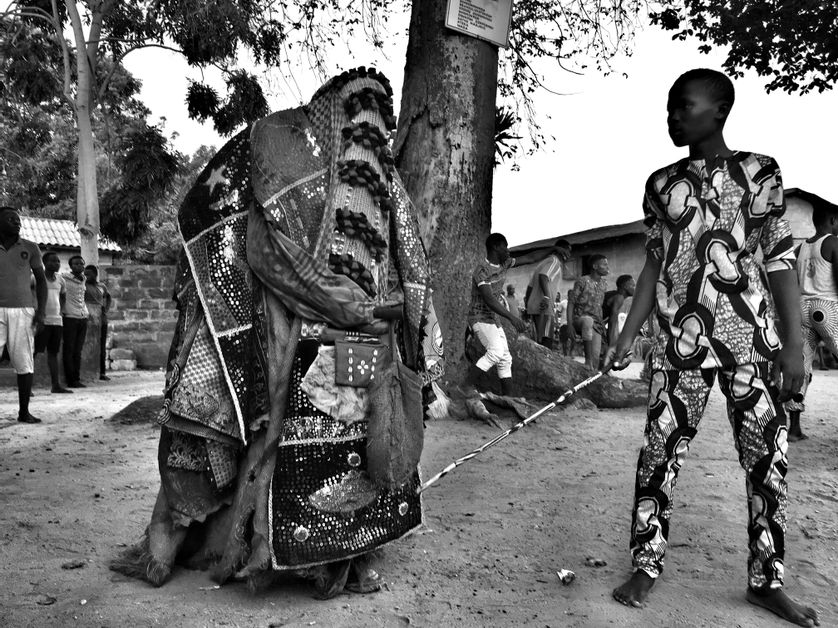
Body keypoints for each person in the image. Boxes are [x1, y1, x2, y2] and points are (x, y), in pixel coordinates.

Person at [111, 68, 445, 598]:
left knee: (341, 441)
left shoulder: (343, 169)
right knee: (326, 440)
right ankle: (318, 559)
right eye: (363, 111)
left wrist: (360, 309)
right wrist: (360, 308)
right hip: (321, 338)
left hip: (333, 339)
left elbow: (403, 268)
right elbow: (271, 254)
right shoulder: (304, 154)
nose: (366, 126)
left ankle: (327, 560)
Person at [606, 68, 818, 627]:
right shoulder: (659, 183)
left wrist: (794, 347)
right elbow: (654, 264)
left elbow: (778, 260)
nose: (673, 115)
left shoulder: (760, 173)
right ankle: (646, 564)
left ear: (719, 111)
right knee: (659, 454)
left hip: (751, 343)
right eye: (669, 106)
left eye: (684, 105)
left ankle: (766, 581)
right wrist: (627, 336)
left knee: (766, 462)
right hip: (679, 346)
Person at [467, 233, 564, 395]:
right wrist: (512, 318)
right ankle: (464, 386)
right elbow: (490, 300)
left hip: (492, 318)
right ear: (496, 247)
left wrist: (552, 249)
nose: (508, 251)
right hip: (479, 317)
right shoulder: (481, 271)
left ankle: (509, 398)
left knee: (505, 358)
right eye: (505, 247)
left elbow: (531, 257)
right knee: (496, 352)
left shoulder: (505, 264)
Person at [784, 193, 838, 442]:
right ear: (833, 220)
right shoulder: (833, 243)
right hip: (827, 307)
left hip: (803, 309)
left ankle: (794, 428)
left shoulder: (801, 247)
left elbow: (791, 282)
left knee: (803, 367)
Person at [0, 207, 47, 423]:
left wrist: (41, 311)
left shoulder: (30, 247)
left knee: (24, 362)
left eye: (18, 220)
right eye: (11, 219)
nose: (17, 222)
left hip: (23, 311)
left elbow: (42, 281)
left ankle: (24, 412)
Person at [34, 251, 71, 394]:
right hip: (41, 320)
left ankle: (55, 385)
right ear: (44, 262)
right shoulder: (36, 277)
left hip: (57, 321)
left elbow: (63, 297)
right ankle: (26, 386)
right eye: (52, 261)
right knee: (33, 352)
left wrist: (60, 311)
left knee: (53, 353)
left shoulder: (60, 280)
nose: (56, 263)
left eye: (58, 261)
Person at [524, 239, 571, 348]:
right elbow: (543, 276)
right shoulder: (555, 262)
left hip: (535, 306)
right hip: (544, 306)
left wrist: (528, 306)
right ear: (561, 250)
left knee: (538, 340)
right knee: (546, 341)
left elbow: (530, 287)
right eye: (568, 251)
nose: (569, 255)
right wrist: (546, 297)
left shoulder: (544, 263)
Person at [567, 254, 609, 369]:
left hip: (596, 324)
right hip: (579, 319)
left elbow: (600, 306)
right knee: (587, 320)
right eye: (604, 264)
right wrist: (569, 324)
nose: (607, 267)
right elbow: (571, 302)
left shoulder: (604, 284)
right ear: (595, 266)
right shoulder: (582, 281)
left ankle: (590, 372)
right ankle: (587, 360)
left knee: (596, 359)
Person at [61, 254, 88, 388]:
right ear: (71, 266)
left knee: (78, 350)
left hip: (83, 317)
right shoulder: (63, 278)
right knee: (69, 349)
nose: (79, 266)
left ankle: (76, 378)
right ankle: (70, 380)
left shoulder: (84, 279)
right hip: (70, 317)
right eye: (76, 264)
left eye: (81, 264)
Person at [84, 264, 112, 381]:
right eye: (84, 274)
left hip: (101, 318)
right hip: (88, 318)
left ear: (95, 274)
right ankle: (88, 371)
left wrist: (106, 308)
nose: (86, 276)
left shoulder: (102, 286)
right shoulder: (83, 286)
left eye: (88, 274)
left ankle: (102, 372)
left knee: (101, 345)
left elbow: (108, 297)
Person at [602, 274, 636, 347]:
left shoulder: (614, 295)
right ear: (625, 286)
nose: (635, 288)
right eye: (633, 286)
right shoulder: (619, 298)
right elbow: (612, 323)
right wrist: (611, 346)